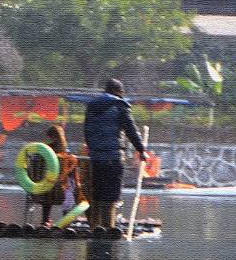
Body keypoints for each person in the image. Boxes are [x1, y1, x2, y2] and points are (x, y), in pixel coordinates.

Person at [82, 76, 148, 230]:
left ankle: (95, 228)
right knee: (111, 196)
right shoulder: (120, 106)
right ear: (119, 92)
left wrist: (93, 148)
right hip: (113, 157)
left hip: (96, 157)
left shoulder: (91, 107)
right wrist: (141, 150)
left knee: (97, 194)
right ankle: (108, 228)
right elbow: (131, 131)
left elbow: (86, 131)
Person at [27, 123, 80, 227]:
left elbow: (32, 170)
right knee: (69, 190)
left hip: (43, 192)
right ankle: (66, 223)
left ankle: (45, 221)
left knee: (48, 192)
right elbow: (74, 175)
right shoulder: (68, 155)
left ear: (51, 137)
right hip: (61, 193)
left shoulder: (43, 152)